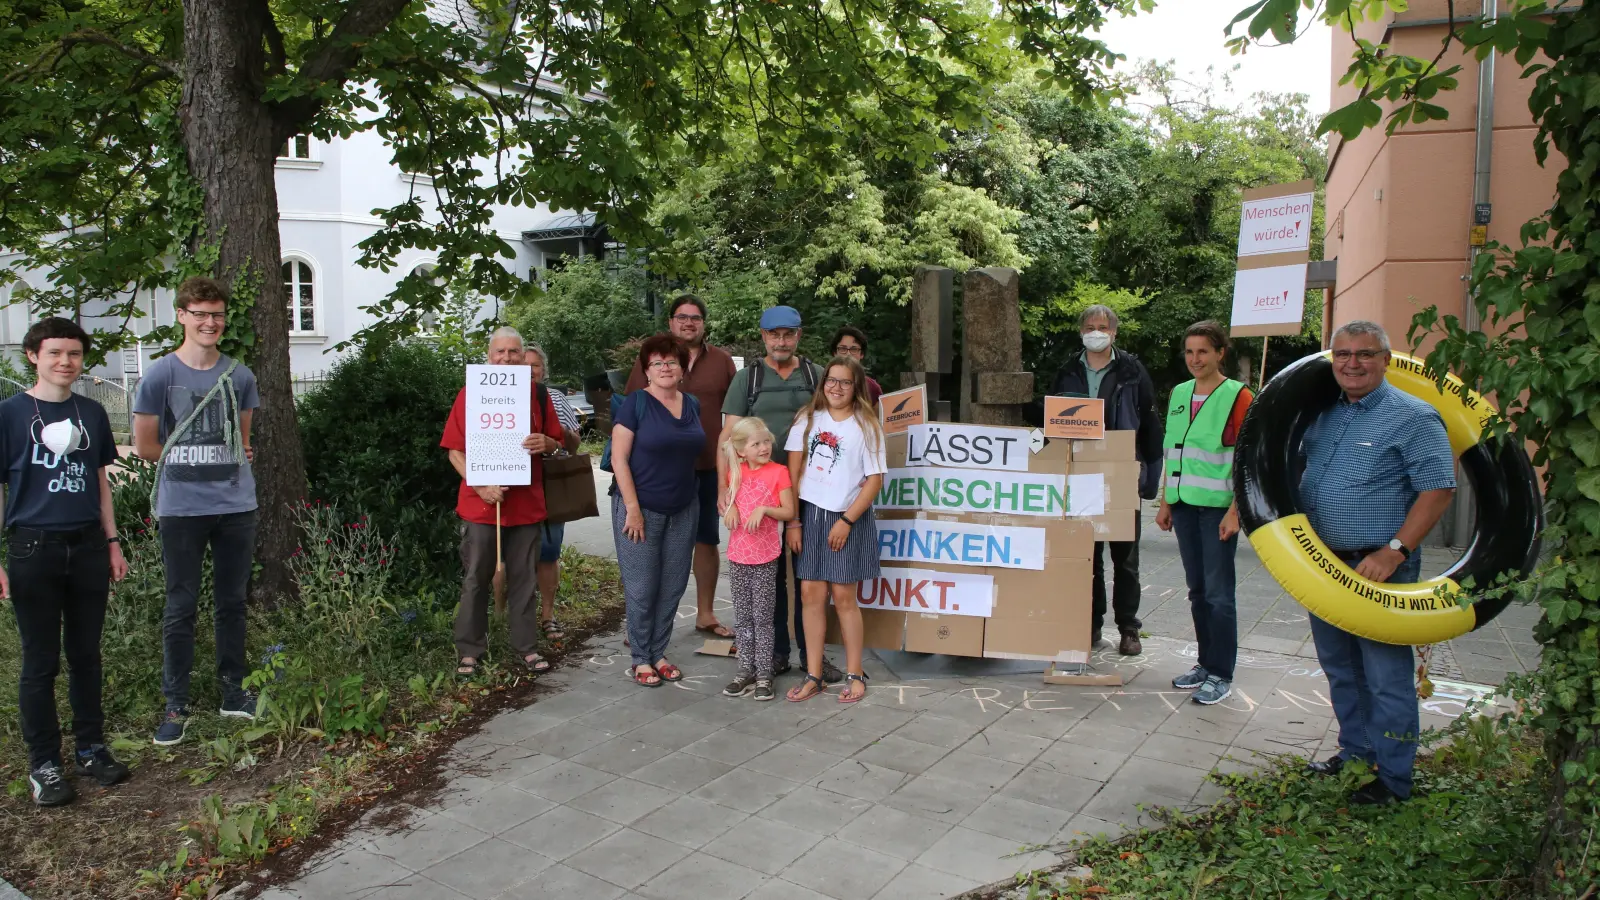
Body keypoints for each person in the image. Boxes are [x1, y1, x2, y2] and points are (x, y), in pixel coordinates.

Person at [1299, 321, 1455, 805]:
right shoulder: (1323, 415)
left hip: (1380, 566)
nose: (1352, 363)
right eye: (1342, 354)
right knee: (1341, 668)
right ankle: (1356, 755)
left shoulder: (1414, 417)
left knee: (1385, 675)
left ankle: (1393, 779)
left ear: (1386, 360)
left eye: (1364, 354)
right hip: (1324, 566)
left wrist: (1395, 550)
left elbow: (1439, 489)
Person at [3, 318, 131, 806]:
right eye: (55, 352)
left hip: (87, 549)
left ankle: (91, 748)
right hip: (33, 548)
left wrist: (113, 542)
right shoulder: (10, 415)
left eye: (74, 354)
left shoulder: (91, 413)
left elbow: (99, 481)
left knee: (85, 655)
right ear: (34, 354)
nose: (65, 362)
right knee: (40, 661)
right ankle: (45, 764)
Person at [133, 276, 261, 746]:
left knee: (231, 602)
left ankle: (233, 691)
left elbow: (243, 441)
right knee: (180, 605)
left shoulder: (240, 375)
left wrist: (236, 454)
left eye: (217, 315)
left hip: (235, 506)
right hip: (182, 508)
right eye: (201, 314)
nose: (210, 322)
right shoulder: (161, 375)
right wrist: (189, 454)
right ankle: (176, 703)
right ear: (183, 316)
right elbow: (146, 445)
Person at [439, 327, 565, 679]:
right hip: (481, 504)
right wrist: (480, 486)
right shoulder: (471, 393)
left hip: (525, 504)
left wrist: (547, 443)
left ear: (523, 357)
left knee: (525, 579)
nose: (507, 359)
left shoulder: (538, 395)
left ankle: (526, 647)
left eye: (514, 352)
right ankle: (470, 649)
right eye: (500, 352)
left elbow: (558, 441)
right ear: (489, 356)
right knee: (476, 578)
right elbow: (454, 450)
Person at [720, 306, 838, 681]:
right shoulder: (747, 379)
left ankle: (812, 655)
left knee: (811, 573)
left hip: (814, 490)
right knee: (768, 574)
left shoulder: (815, 375)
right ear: (763, 336)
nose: (781, 341)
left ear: (798, 336)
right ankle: (775, 654)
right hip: (760, 491)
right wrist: (726, 487)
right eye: (774, 335)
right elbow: (728, 438)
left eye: (788, 334)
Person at [1049, 305, 1163, 656]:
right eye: (1089, 326)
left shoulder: (1132, 370)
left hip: (1122, 470)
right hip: (1081, 473)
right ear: (1080, 331)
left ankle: (1129, 628)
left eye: (1102, 327)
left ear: (1114, 333)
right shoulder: (1067, 370)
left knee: (1125, 558)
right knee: (1089, 556)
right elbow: (1051, 417)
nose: (1095, 332)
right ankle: (1092, 624)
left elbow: (1150, 422)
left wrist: (1149, 476)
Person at [626, 295, 739, 641]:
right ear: (671, 322)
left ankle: (705, 614)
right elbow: (631, 407)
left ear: (704, 323)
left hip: (706, 466)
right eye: (681, 317)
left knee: (706, 540)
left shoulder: (722, 362)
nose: (688, 323)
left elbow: (736, 411)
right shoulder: (652, 356)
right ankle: (642, 624)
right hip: (655, 472)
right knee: (651, 546)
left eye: (695, 318)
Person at [1155, 320, 1253, 706]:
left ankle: (1221, 673)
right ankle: (1205, 663)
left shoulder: (1238, 396)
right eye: (1189, 351)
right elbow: (1172, 450)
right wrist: (1165, 501)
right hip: (1183, 507)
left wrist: (1236, 511)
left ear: (1220, 354)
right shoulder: (1180, 393)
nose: (1195, 359)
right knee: (1197, 592)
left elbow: (1247, 460)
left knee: (1218, 594)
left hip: (1217, 511)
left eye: (1203, 352)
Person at [783, 357, 887, 704]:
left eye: (845, 382)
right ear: (823, 383)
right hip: (810, 514)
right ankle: (814, 674)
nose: (836, 388)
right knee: (811, 596)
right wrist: (794, 521)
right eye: (831, 380)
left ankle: (855, 673)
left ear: (856, 387)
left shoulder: (867, 426)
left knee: (844, 598)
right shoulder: (807, 420)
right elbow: (793, 475)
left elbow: (874, 481)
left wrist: (846, 521)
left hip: (847, 516)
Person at [613, 334, 705, 687]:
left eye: (672, 361)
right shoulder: (635, 403)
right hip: (640, 508)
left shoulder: (692, 404)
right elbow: (619, 458)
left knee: (673, 584)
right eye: (657, 362)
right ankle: (640, 658)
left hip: (683, 506)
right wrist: (632, 509)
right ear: (647, 370)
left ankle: (658, 650)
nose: (665, 367)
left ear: (683, 368)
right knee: (641, 586)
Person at [719, 418, 796, 702]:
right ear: (741, 451)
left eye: (766, 441)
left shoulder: (778, 472)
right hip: (738, 555)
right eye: (756, 444)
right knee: (743, 617)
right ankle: (744, 669)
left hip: (765, 556)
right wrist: (730, 510)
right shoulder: (734, 473)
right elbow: (732, 504)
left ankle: (764, 672)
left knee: (763, 618)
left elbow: (789, 511)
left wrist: (765, 509)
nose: (764, 447)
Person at [525, 344, 584, 643]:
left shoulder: (556, 398)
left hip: (550, 484)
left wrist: (559, 435)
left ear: (543, 370)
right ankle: (507, 617)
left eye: (535, 365)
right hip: (515, 486)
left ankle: (548, 615)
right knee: (511, 553)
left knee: (548, 552)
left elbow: (573, 446)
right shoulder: (499, 399)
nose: (530, 370)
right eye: (524, 364)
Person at [829, 327, 882, 406]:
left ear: (862, 354)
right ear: (835, 353)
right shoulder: (823, 382)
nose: (848, 354)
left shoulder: (871, 387)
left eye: (854, 349)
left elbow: (878, 417)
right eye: (843, 348)